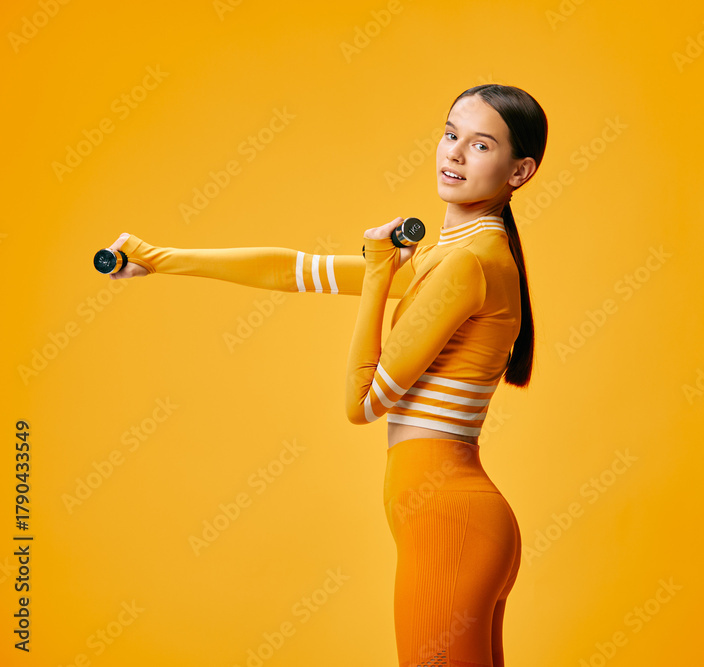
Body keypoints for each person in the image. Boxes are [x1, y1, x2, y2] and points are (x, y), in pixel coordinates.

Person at [101, 83, 547, 666]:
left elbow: (363, 402)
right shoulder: (446, 257)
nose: (455, 154)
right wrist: (161, 259)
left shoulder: (465, 263)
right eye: (449, 133)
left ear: (520, 171)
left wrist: (380, 275)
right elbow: (295, 271)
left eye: (481, 144)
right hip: (456, 518)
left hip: (448, 519)